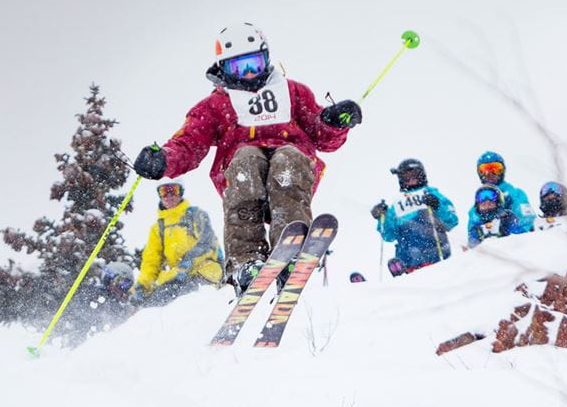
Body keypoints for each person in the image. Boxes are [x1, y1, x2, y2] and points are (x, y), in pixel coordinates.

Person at [131, 22, 360, 294]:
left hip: (291, 172)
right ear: (223, 69)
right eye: (240, 68)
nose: (249, 75)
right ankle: (245, 260)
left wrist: (334, 122)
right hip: (242, 177)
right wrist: (164, 160)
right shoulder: (216, 105)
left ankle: (291, 250)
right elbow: (189, 143)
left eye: (254, 64)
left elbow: (322, 137)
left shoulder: (293, 92)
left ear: (266, 58)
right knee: (247, 158)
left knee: (287, 158)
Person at [132, 181, 224, 307]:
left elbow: (207, 243)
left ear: (181, 192)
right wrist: (142, 285)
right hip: (177, 277)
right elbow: (151, 260)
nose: (169, 196)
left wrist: (189, 262)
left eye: (173, 190)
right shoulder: (159, 227)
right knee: (153, 303)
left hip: (205, 271)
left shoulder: (195, 215)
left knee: (184, 299)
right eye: (164, 192)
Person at [371, 159, 459, 274]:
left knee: (422, 227)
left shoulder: (431, 194)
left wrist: (437, 206)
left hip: (435, 253)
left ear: (422, 176)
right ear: (400, 179)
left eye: (415, 175)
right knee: (407, 234)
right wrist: (383, 217)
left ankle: (408, 269)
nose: (411, 180)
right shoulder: (397, 205)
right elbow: (389, 235)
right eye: (406, 177)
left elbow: (451, 221)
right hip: (408, 259)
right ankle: (401, 271)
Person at [469, 151, 536, 231]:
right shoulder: (478, 203)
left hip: (512, 241)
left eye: (495, 169)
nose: (490, 173)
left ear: (502, 170)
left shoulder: (515, 194)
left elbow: (527, 224)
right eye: (484, 170)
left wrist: (511, 225)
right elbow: (472, 235)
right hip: (488, 242)